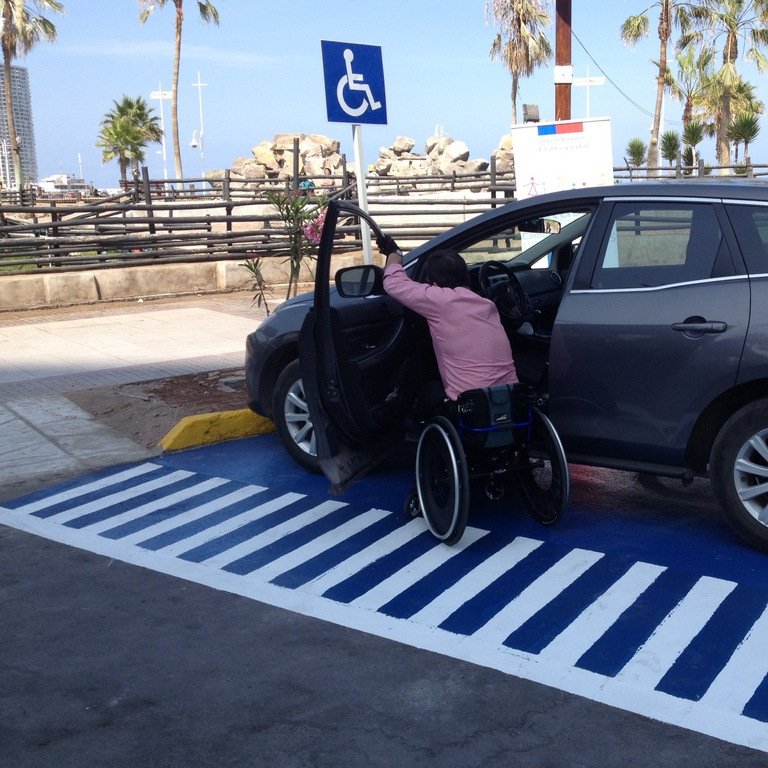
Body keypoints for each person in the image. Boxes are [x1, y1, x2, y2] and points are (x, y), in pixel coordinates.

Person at [377, 235, 517, 406]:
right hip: (511, 396)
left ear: (434, 284)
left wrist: (394, 252)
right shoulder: (488, 305)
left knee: (425, 391)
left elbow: (392, 282)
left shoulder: (439, 300)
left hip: (470, 402)